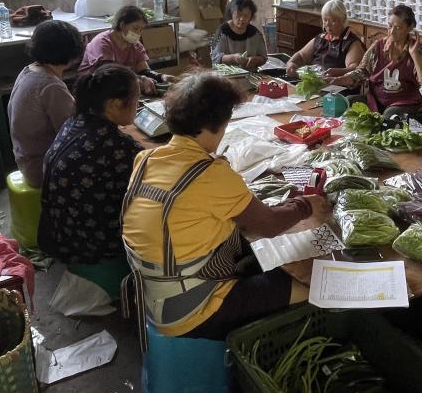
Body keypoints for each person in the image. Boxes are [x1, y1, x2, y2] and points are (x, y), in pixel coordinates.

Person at [121, 73, 328, 341]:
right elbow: (269, 225)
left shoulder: (146, 158)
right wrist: (305, 205)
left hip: (152, 293)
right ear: (218, 123)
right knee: (309, 287)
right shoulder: (210, 173)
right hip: (191, 311)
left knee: (254, 254)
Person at [38, 64, 142, 297]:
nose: (138, 105)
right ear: (114, 104)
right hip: (89, 245)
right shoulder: (119, 148)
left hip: (57, 232)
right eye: (136, 99)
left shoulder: (74, 122)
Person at [7, 20, 84, 188]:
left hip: (25, 160)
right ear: (72, 52)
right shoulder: (51, 86)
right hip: (41, 169)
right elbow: (73, 133)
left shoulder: (29, 70)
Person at [331, 4, 422, 118]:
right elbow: (362, 71)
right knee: (348, 102)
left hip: (404, 102)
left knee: (390, 115)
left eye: (398, 28)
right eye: (390, 26)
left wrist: (414, 55)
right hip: (376, 100)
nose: (392, 32)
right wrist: (338, 80)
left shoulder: (419, 50)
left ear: (409, 28)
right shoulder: (378, 45)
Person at [78, 5, 176, 94]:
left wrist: (161, 77)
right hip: (92, 90)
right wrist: (140, 78)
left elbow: (144, 70)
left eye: (141, 29)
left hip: (117, 87)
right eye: (136, 28)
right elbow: (109, 74)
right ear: (122, 25)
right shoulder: (102, 43)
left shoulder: (136, 45)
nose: (138, 33)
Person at [285, 0, 364, 78]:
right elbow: (301, 55)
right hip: (316, 80)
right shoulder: (321, 38)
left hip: (336, 83)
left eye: (333, 20)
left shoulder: (351, 43)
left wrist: (339, 72)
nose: (328, 24)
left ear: (343, 20)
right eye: (325, 20)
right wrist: (291, 63)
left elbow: (355, 68)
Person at [211, 0, 268, 69]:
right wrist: (233, 58)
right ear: (232, 13)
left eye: (246, 15)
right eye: (239, 14)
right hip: (228, 74)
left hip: (250, 73)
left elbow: (264, 57)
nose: (242, 19)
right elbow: (214, 57)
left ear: (251, 17)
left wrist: (255, 60)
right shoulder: (223, 31)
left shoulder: (255, 34)